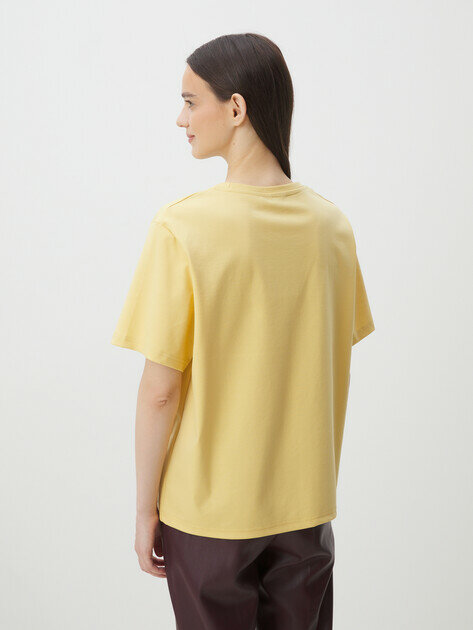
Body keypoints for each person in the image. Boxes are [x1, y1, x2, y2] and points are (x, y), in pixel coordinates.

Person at [110, 32, 375, 630]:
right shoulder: (332, 228)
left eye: (190, 101)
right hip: (306, 514)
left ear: (236, 108)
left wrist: (145, 510)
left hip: (209, 516)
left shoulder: (184, 228)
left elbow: (160, 391)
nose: (180, 119)